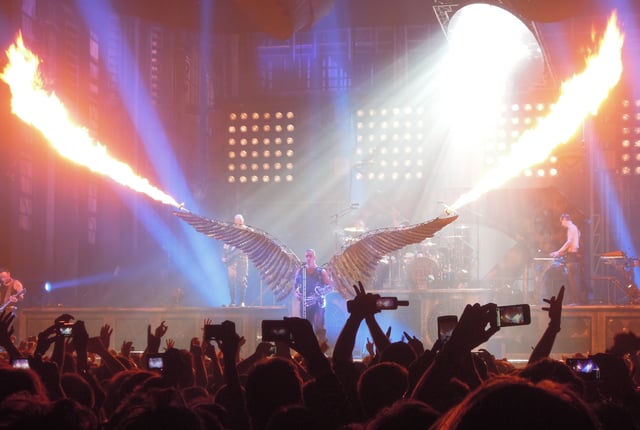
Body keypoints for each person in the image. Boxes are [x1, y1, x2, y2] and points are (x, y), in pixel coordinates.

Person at [294, 249, 332, 342]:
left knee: (320, 329)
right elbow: (294, 286)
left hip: (318, 304)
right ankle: (306, 353)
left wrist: (319, 295)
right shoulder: (300, 271)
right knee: (305, 329)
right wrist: (296, 294)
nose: (308, 258)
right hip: (305, 304)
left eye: (310, 256)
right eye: (306, 256)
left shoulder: (321, 271)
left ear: (314, 257)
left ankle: (322, 353)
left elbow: (331, 286)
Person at [550, 213, 585, 305]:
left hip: (572, 257)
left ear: (565, 220)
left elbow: (569, 242)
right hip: (573, 255)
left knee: (572, 280)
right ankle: (576, 300)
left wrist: (558, 252)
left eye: (562, 222)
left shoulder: (571, 228)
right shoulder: (575, 228)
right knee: (574, 279)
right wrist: (562, 252)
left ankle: (575, 301)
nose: (562, 224)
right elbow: (574, 244)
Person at [221, 214, 249, 307]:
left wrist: (228, 257)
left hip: (242, 258)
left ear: (242, 222)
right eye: (236, 223)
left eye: (240, 223)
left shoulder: (247, 231)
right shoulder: (231, 232)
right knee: (231, 281)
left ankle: (241, 301)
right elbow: (226, 245)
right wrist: (224, 255)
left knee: (242, 280)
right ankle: (232, 301)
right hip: (231, 260)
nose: (238, 225)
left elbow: (243, 248)